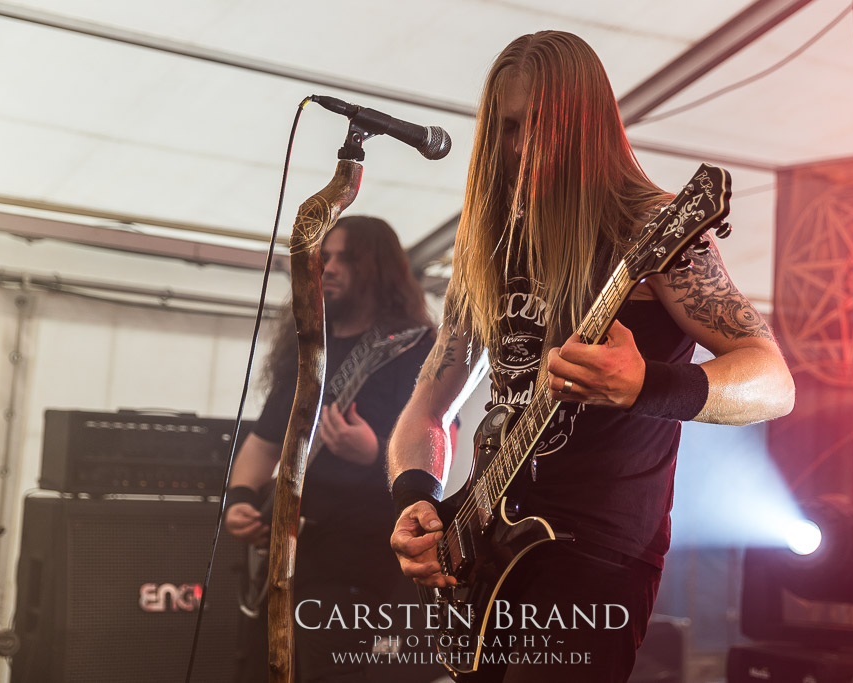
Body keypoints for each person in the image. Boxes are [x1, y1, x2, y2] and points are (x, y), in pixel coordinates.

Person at [387, 30, 796, 683]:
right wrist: (416, 496)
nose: (521, 148)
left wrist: (646, 385)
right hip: (485, 546)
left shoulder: (651, 226)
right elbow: (427, 410)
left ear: (587, 126)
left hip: (597, 550)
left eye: (541, 126)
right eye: (509, 127)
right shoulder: (489, 247)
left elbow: (772, 380)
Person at [223, 215, 435, 683]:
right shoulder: (306, 349)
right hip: (287, 559)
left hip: (359, 563)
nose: (328, 268)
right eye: (325, 257)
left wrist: (374, 452)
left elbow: (438, 439)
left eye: (346, 258)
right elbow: (263, 443)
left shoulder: (415, 348)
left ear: (379, 268)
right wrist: (239, 500)